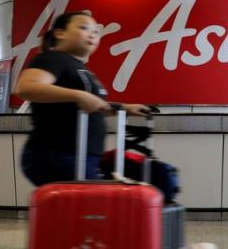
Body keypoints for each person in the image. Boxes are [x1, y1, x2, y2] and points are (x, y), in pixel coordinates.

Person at [14, 11, 149, 186]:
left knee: (78, 211)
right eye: (84, 28)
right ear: (59, 33)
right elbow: (26, 88)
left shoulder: (79, 67)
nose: (92, 35)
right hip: (59, 154)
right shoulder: (53, 58)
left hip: (80, 155)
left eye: (96, 32)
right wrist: (80, 95)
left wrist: (124, 108)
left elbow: (89, 106)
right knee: (82, 210)